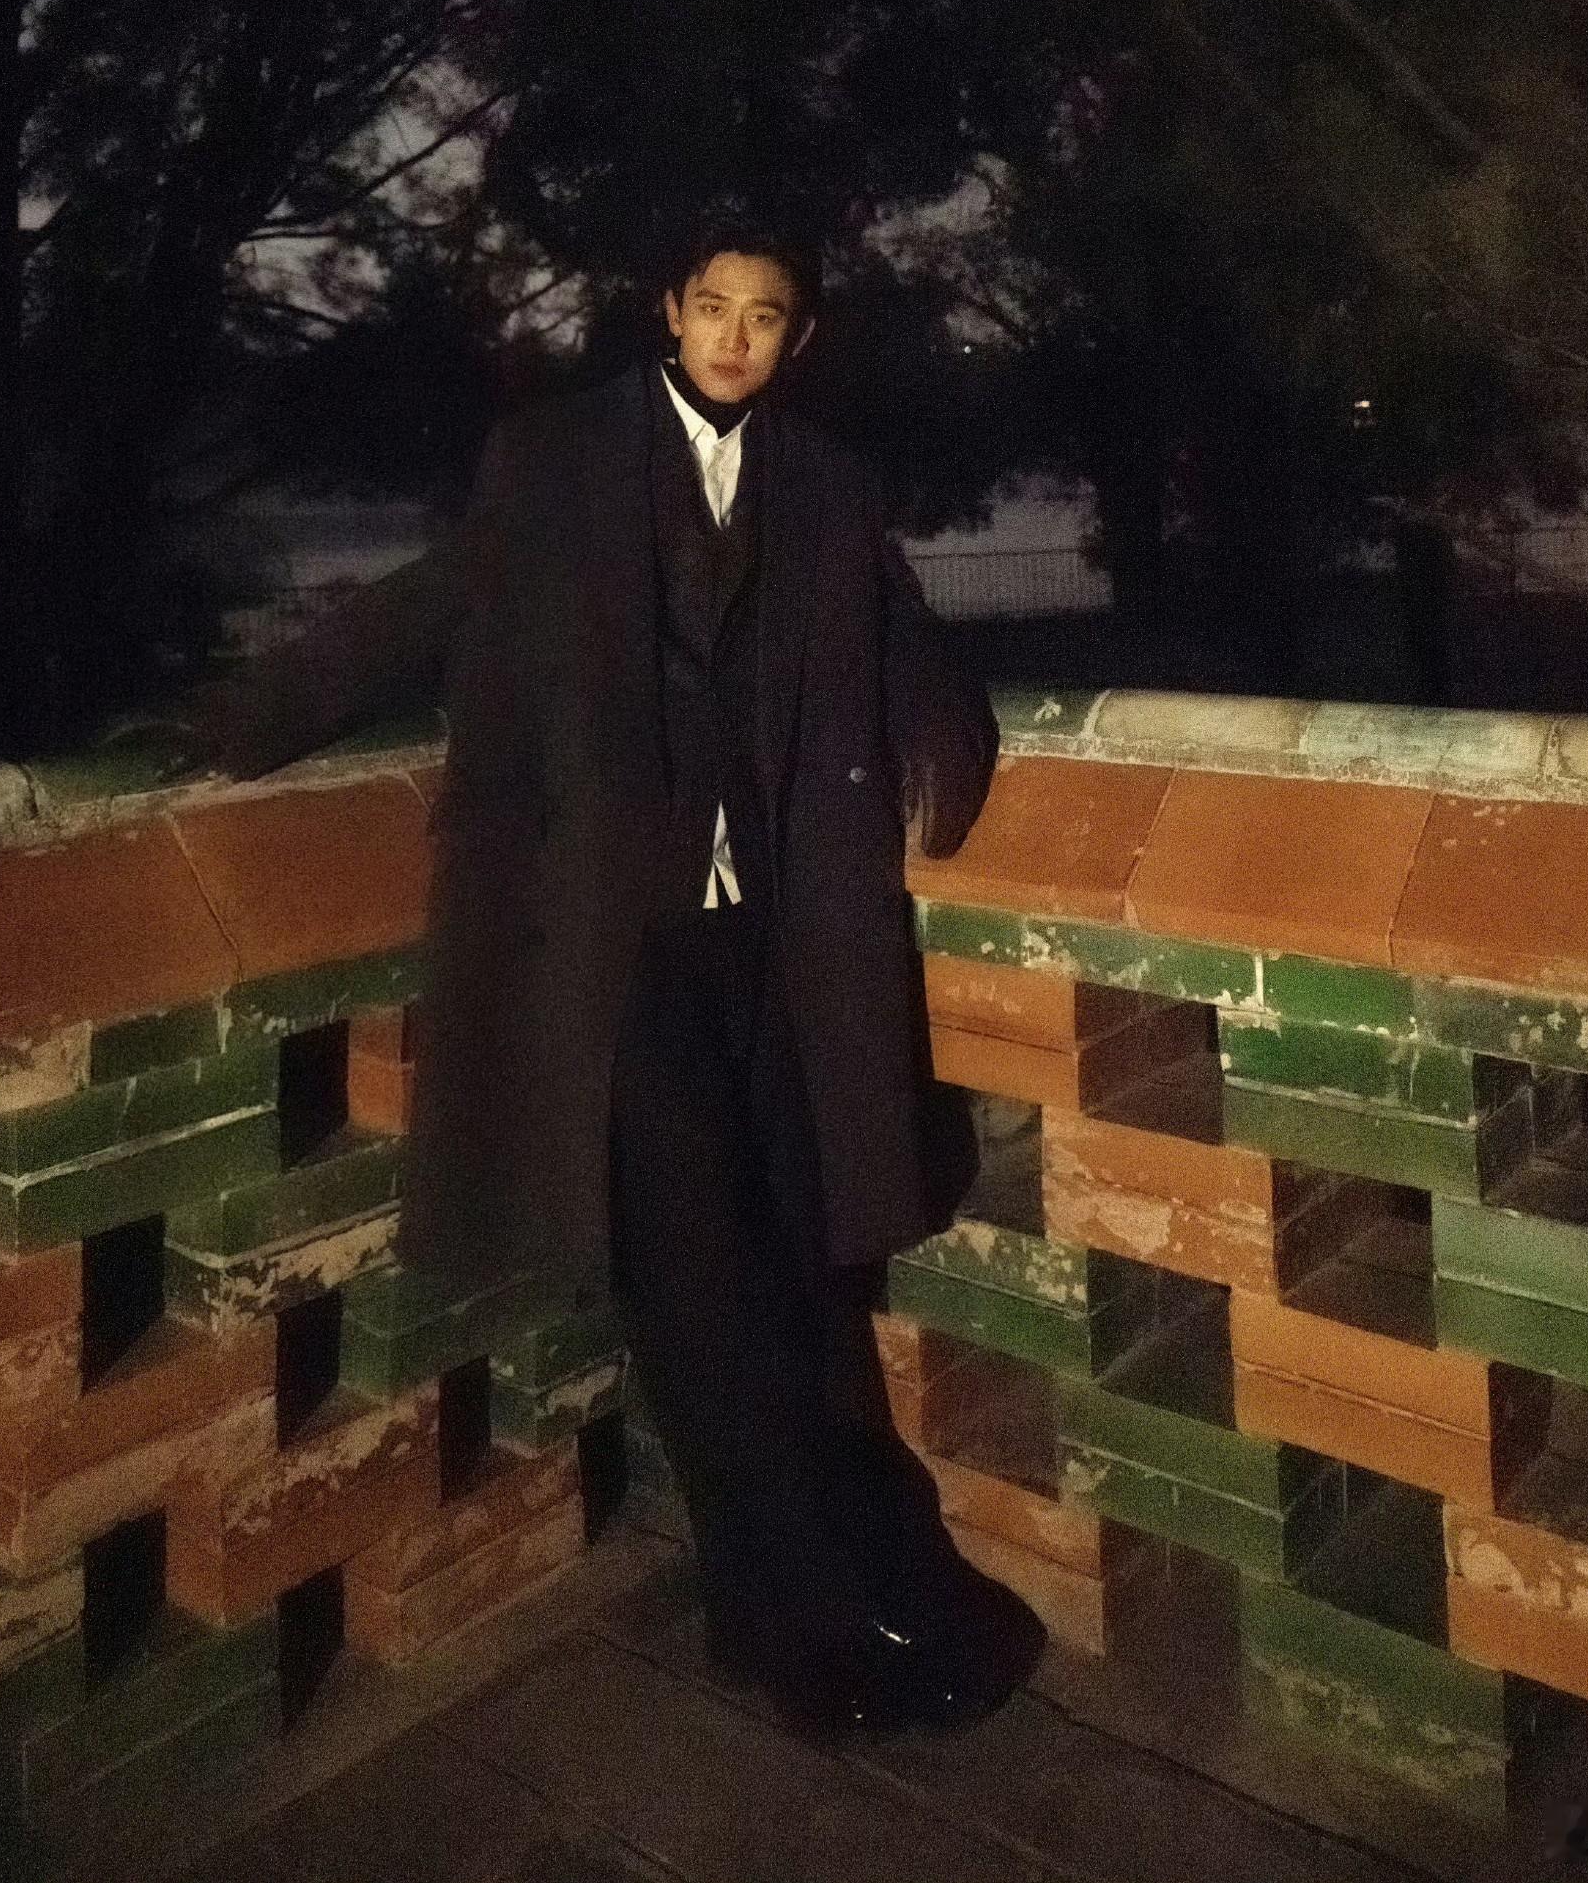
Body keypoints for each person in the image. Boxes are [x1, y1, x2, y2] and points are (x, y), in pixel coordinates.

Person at [176, 205, 1042, 1734]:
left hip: (770, 950)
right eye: (713, 305)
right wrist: (239, 723)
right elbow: (430, 599)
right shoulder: (559, 459)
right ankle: (807, 1630)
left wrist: (943, 735)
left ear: (795, 335)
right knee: (703, 1294)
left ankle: (870, 1582)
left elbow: (895, 626)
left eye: (764, 315)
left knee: (803, 1279)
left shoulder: (826, 483)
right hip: (614, 963)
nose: (734, 338)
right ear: (670, 306)